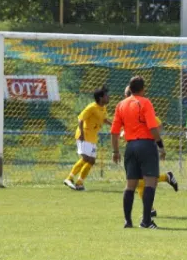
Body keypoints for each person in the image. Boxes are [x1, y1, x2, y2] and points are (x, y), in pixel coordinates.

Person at [111, 76, 165, 229]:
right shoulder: (145, 102)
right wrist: (160, 145)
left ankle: (128, 221)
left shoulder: (121, 105)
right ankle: (146, 221)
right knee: (150, 182)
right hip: (146, 145)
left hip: (130, 147)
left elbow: (114, 132)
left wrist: (115, 151)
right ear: (143, 88)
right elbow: (153, 127)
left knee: (130, 185)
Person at [118, 86, 178, 218]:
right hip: (134, 147)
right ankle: (150, 210)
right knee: (138, 183)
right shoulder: (125, 109)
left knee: (139, 181)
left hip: (145, 147)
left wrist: (153, 138)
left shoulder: (140, 107)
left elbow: (157, 124)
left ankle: (148, 212)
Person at [64, 86, 111, 191]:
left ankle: (80, 182)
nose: (108, 97)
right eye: (106, 95)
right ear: (100, 97)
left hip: (92, 137)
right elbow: (80, 119)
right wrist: (81, 133)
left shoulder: (103, 108)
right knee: (86, 158)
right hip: (84, 135)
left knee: (92, 160)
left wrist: (114, 125)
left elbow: (104, 119)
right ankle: (69, 178)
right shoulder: (91, 107)